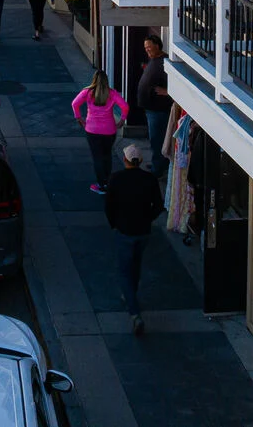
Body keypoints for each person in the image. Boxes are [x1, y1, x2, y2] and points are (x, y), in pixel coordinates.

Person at [104, 142, 165, 335]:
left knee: (124, 271)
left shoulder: (116, 179)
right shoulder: (149, 179)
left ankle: (134, 311)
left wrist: (114, 223)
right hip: (143, 231)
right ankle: (131, 295)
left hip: (124, 231)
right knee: (136, 264)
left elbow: (109, 206)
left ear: (125, 160)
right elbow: (158, 205)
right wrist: (148, 218)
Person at [72, 69, 131, 195]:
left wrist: (79, 118)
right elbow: (125, 106)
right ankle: (108, 181)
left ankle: (101, 184)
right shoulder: (112, 93)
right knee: (107, 155)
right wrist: (121, 120)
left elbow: (75, 104)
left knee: (97, 157)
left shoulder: (87, 92)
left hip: (92, 130)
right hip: (109, 130)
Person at [138, 36, 172, 181]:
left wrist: (167, 91)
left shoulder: (166, 62)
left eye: (149, 47)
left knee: (157, 140)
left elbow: (174, 83)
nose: (147, 50)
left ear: (158, 45)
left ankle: (157, 170)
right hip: (151, 109)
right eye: (145, 48)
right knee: (155, 139)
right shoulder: (155, 60)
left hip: (158, 111)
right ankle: (156, 165)